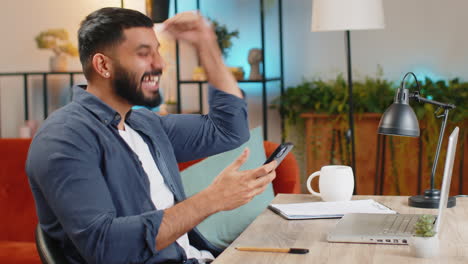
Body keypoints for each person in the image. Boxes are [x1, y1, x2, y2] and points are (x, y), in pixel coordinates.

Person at [26, 7, 276, 264]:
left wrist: (206, 43)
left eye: (157, 51)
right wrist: (211, 200)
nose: (160, 64)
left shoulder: (144, 124)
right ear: (103, 65)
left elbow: (228, 130)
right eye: (144, 54)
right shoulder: (64, 138)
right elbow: (104, 247)